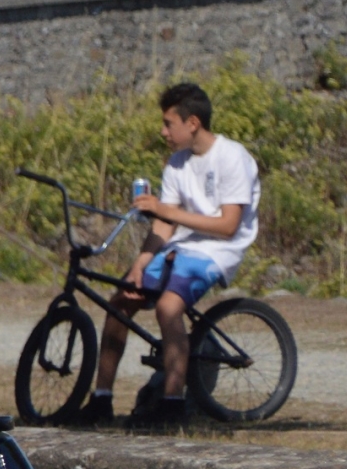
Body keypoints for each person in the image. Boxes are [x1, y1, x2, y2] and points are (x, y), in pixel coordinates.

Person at [87, 81, 261, 427]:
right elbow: (164, 227)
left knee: (169, 306)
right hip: (181, 247)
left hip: (218, 251)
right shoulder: (176, 165)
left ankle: (172, 403)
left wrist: (165, 212)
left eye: (169, 123)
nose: (163, 131)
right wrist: (141, 262)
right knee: (121, 300)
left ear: (192, 123)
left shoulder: (232, 157)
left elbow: (228, 225)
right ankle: (101, 399)